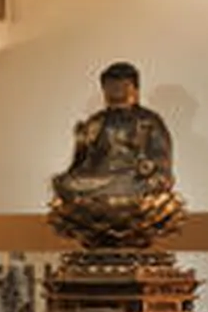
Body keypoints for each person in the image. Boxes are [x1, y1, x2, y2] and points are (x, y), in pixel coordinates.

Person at [48, 61, 186, 249]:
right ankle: (108, 194)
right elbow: (81, 165)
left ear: (135, 88)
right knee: (63, 182)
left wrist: (151, 169)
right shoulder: (95, 122)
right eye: (110, 85)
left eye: (122, 85)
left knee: (141, 188)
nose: (115, 90)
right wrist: (81, 143)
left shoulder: (148, 120)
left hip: (132, 179)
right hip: (101, 180)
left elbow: (162, 161)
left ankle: (115, 194)